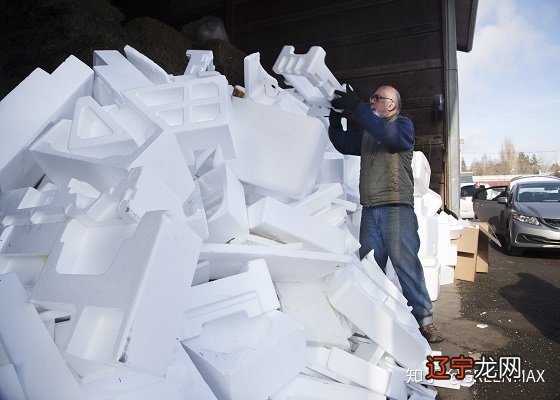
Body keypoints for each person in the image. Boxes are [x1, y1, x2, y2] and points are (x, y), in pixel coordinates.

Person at [329, 84, 444, 343]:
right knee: (370, 267)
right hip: (371, 210)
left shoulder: (402, 126)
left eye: (377, 98)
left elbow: (389, 136)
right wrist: (335, 121)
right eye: (370, 99)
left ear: (391, 104)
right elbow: (343, 144)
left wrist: (357, 106)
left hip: (396, 209)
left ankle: (425, 320)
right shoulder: (370, 132)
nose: (372, 102)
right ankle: (374, 318)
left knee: (406, 264)